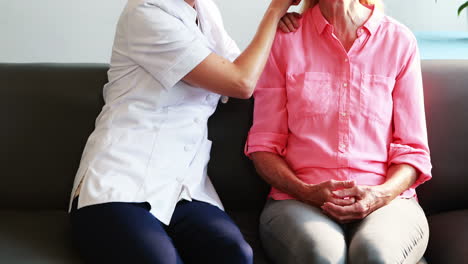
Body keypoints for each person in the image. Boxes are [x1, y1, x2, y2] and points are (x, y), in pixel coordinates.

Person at [68, 0, 298, 263]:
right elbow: (240, 82)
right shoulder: (144, 12)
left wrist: (280, 32)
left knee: (235, 254)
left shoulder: (205, 10)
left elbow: (251, 74)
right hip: (119, 184)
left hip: (182, 188)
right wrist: (273, 12)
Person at [245, 0, 432, 263]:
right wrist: (305, 191)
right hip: (298, 200)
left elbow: (413, 151)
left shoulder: (399, 41)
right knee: (323, 255)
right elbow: (263, 147)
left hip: (388, 201)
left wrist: (380, 194)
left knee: (375, 254)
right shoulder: (284, 39)